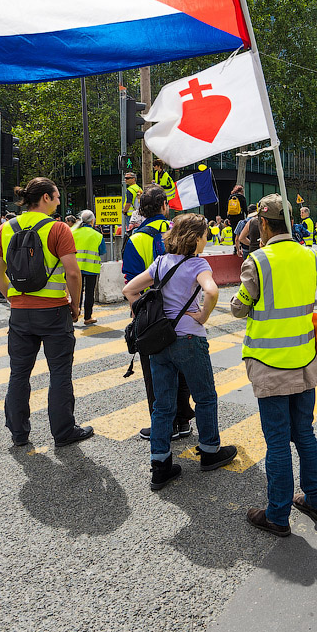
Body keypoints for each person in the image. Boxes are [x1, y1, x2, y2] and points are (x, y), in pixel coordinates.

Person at [231, 194, 317, 535]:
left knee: (276, 442)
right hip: (304, 360)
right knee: (304, 434)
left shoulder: (257, 261)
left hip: (270, 363)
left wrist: (239, 298)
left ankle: (277, 514)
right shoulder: (310, 256)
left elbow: (239, 308)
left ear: (265, 224)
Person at [124, 213, 238, 490]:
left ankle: (160, 464)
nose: (207, 239)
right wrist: (202, 317)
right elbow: (211, 292)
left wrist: (150, 311)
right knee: (206, 397)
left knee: (162, 405)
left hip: (160, 340)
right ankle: (210, 451)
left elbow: (129, 290)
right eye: (205, 235)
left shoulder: (161, 262)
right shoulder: (199, 263)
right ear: (196, 238)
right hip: (189, 338)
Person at [0, 177, 92, 448]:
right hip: (54, 312)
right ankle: (63, 432)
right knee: (59, 373)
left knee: (18, 373)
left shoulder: (5, 228)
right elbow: (72, 272)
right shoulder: (58, 229)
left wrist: (12, 297)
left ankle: (18, 433)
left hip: (20, 314)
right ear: (46, 197)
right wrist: (75, 304)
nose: (59, 201)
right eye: (57, 196)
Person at [122, 185, 195, 441]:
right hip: (183, 314)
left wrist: (140, 317)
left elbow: (131, 284)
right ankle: (183, 420)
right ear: (165, 206)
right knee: (182, 369)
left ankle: (164, 425)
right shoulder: (182, 232)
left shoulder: (136, 239)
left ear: (141, 210)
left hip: (152, 318)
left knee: (155, 372)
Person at [71, 209, 106, 325]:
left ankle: (75, 314)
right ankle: (87, 317)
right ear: (92, 221)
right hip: (91, 268)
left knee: (77, 292)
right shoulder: (98, 235)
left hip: (75, 268)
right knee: (89, 292)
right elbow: (102, 252)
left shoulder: (73, 232)